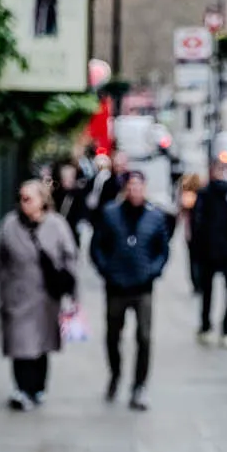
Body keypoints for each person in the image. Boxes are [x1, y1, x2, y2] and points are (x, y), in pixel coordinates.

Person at [0, 179, 80, 410]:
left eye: (28, 198)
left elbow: (70, 259)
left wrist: (74, 295)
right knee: (20, 346)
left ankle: (37, 388)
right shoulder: (10, 225)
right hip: (17, 295)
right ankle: (22, 389)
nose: (23, 203)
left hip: (46, 299)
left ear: (42, 200)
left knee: (40, 345)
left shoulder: (56, 225)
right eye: (21, 198)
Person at [88, 171, 170, 411]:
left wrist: (152, 271)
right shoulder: (111, 214)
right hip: (116, 286)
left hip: (142, 287)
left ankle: (139, 385)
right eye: (131, 187)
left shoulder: (154, 217)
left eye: (139, 187)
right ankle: (115, 374)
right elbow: (97, 246)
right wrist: (107, 270)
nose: (135, 191)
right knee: (113, 334)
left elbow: (162, 250)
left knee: (144, 337)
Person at [190, 163, 227, 347]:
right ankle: (226, 329)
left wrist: (195, 251)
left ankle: (206, 327)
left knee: (208, 293)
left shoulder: (204, 194)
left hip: (210, 252)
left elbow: (196, 224)